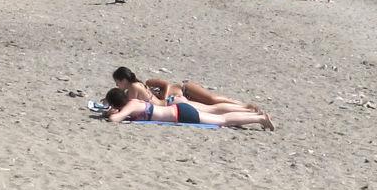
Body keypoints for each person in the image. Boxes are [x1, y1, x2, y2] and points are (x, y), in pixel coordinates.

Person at [104, 87, 273, 129]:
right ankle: (252, 113)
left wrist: (111, 113)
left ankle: (259, 119)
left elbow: (114, 120)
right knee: (216, 112)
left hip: (181, 114)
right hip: (179, 109)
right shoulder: (133, 102)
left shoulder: (131, 105)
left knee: (223, 120)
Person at [112, 67, 252, 110]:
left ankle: (242, 105)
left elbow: (166, 84)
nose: (117, 85)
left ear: (123, 80)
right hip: (178, 98)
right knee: (210, 105)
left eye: (117, 82)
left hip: (184, 89)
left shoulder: (145, 83)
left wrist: (165, 97)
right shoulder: (134, 88)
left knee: (212, 100)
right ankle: (244, 107)